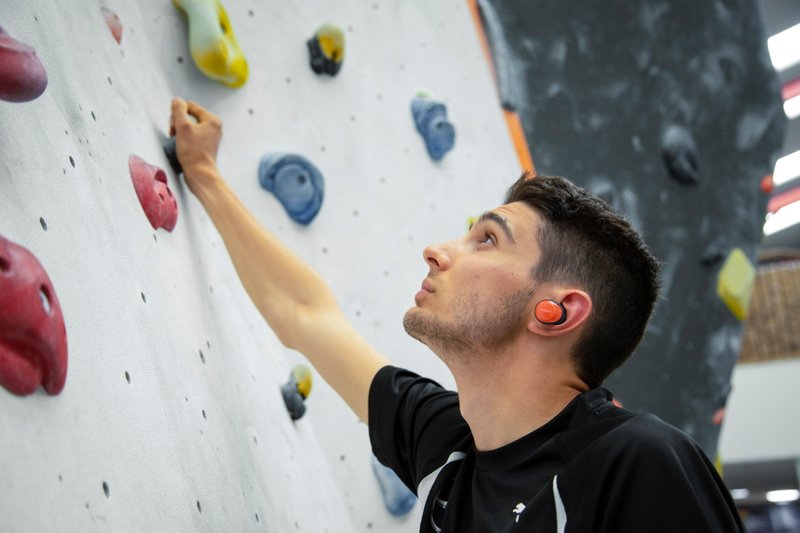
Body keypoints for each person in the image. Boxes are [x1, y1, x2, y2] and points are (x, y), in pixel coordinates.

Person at [170, 98, 744, 532]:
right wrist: (205, 177)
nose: (438, 250)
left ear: (556, 311)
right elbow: (305, 314)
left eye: (488, 241)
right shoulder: (452, 447)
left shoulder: (637, 461)